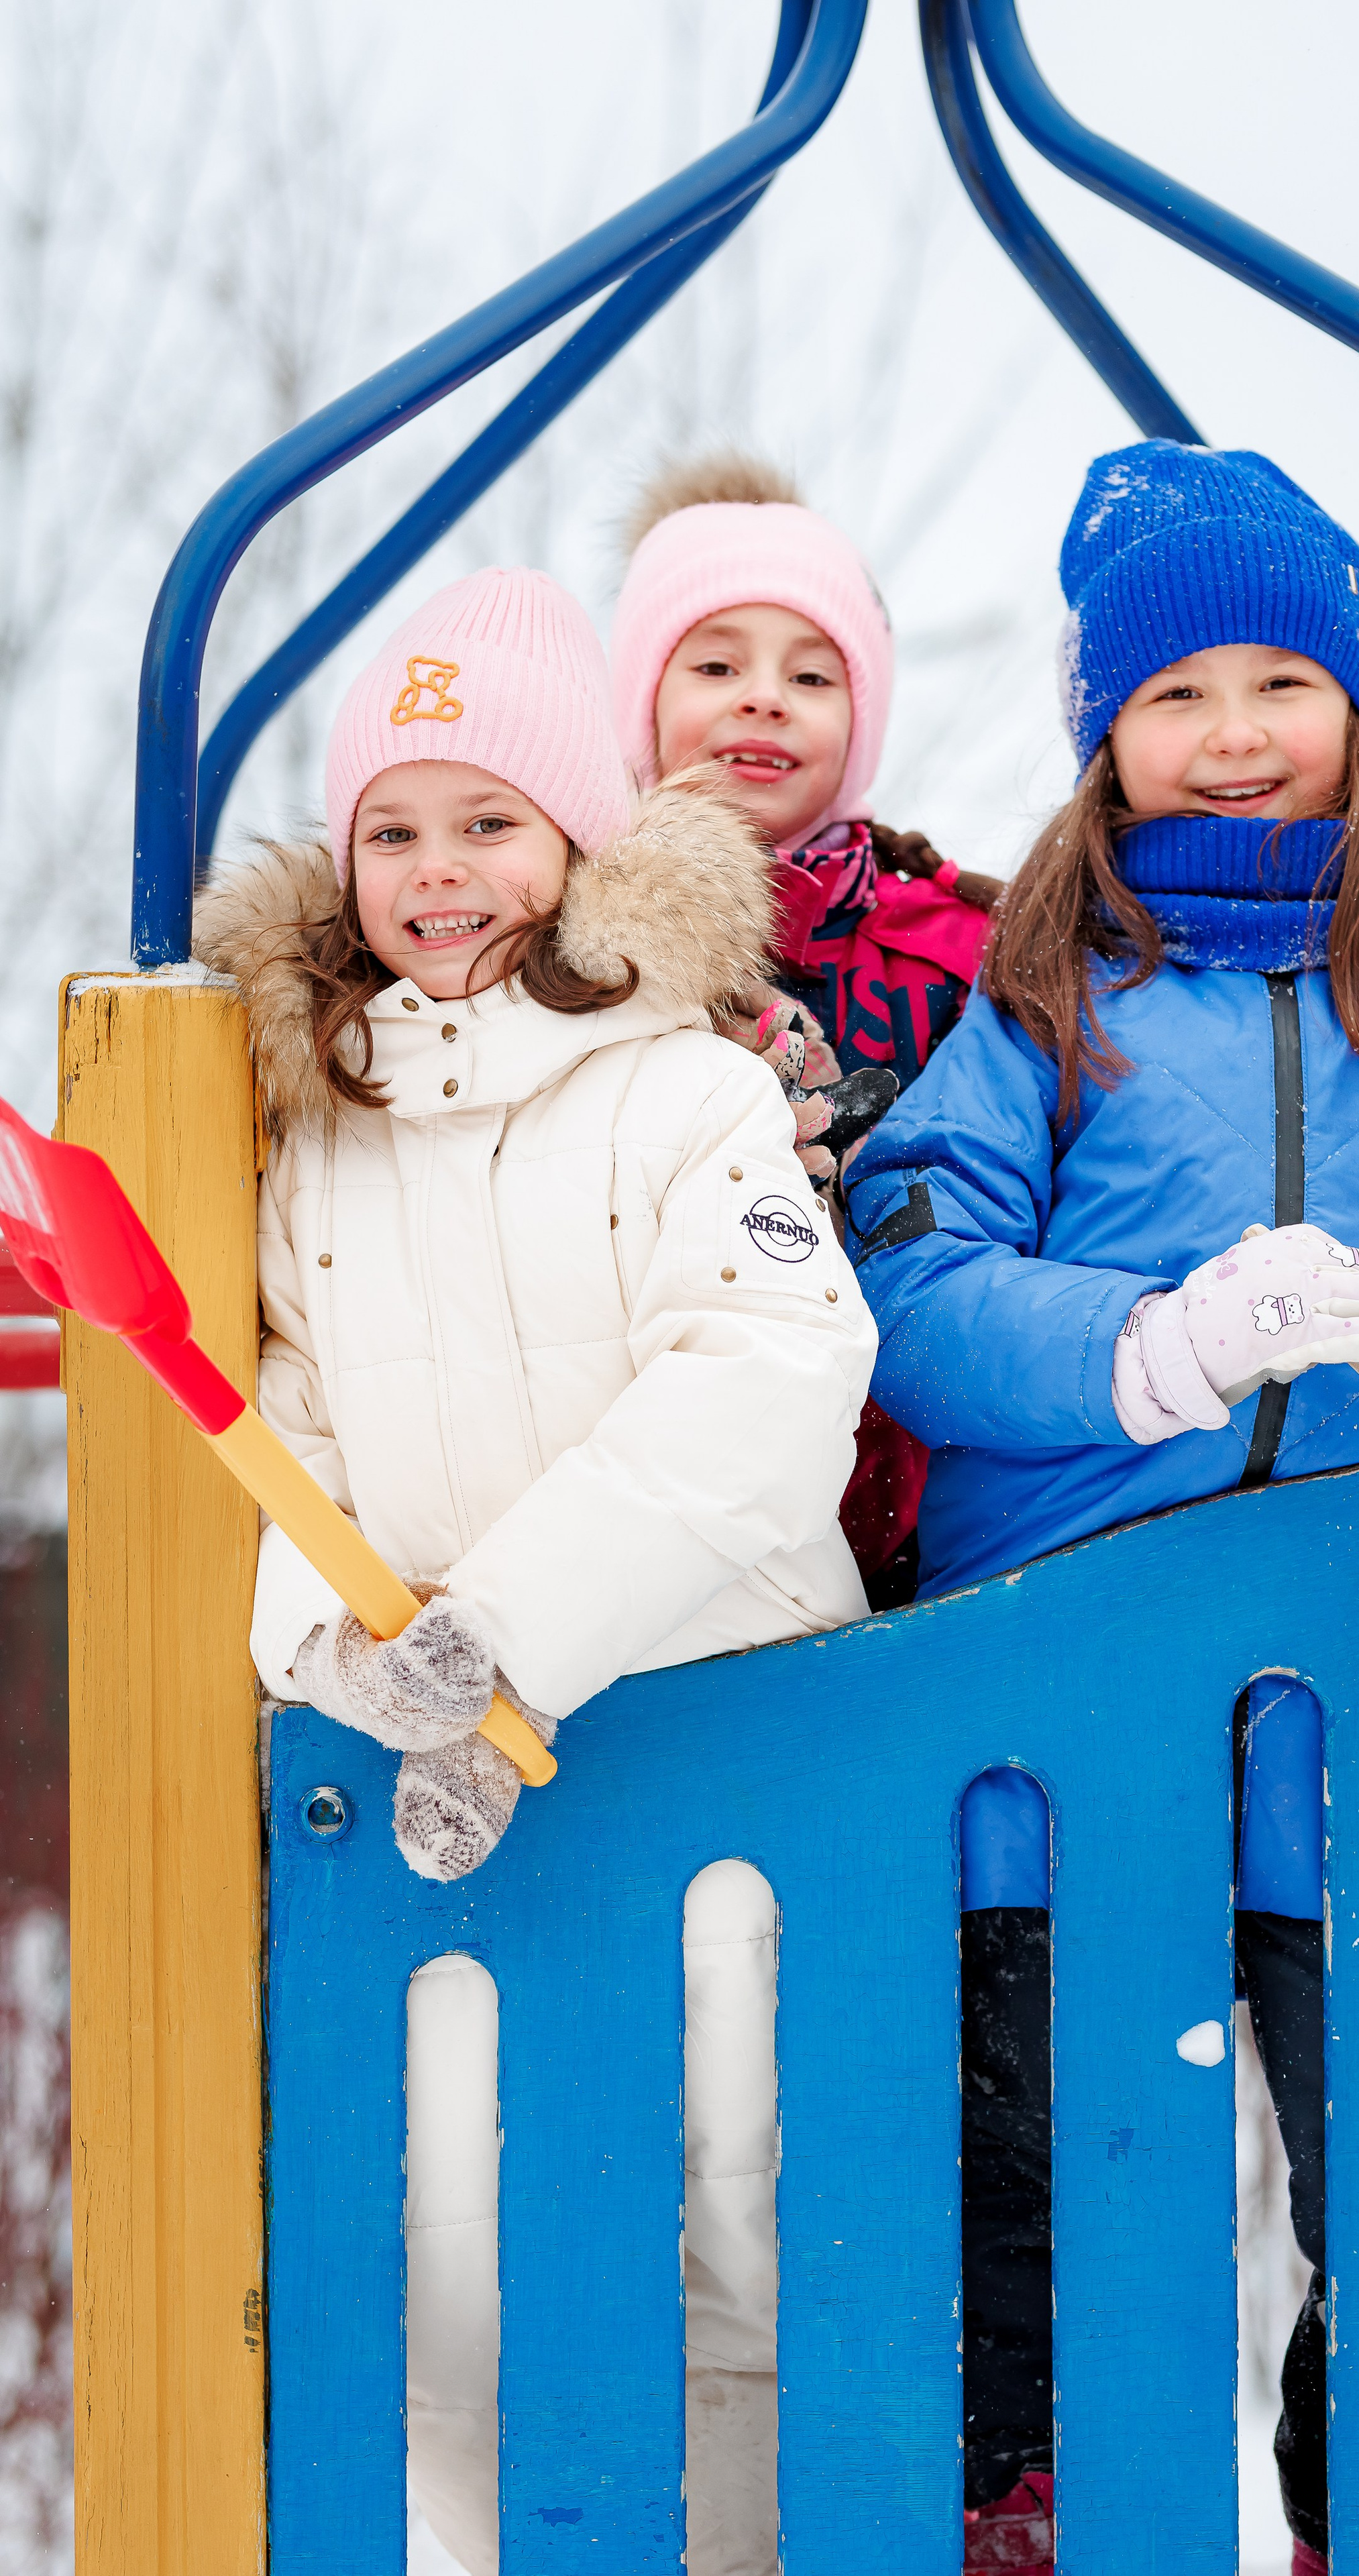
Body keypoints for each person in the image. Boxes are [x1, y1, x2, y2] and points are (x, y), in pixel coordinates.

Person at [845, 441, 1359, 2576]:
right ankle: (1015, 2518)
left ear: (1358, 706)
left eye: (1280, 683)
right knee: (1041, 2181)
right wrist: (1150, 1340)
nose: (1232, 736)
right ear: (1106, 740)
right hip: (1069, 1720)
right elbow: (912, 1277)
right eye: (1174, 695)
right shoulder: (1042, 1004)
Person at [195, 564, 875, 2576]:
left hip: (712, 1737)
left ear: (579, 839)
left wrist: (514, 1633)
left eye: (489, 819)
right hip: (446, 1779)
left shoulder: (687, 1087)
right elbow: (286, 1425)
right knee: (459, 2231)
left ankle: (752, 2553)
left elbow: (775, 1366)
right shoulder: (324, 1132)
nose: (440, 870)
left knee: (735, 2206)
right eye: (393, 830)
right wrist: (337, 1643)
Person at [610, 453, 1000, 1607]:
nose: (763, 697)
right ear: (644, 701)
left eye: (812, 675)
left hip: (918, 1473)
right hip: (673, 1459)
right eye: (717, 663)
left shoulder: (957, 944)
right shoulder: (578, 940)